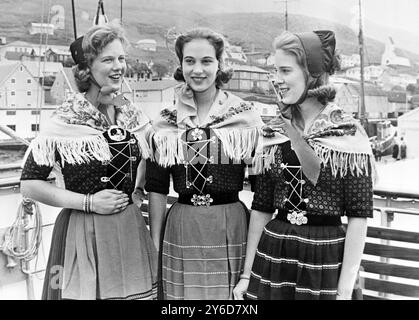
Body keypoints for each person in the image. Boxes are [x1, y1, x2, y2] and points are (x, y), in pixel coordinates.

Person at [233, 30, 375, 300]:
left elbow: (358, 217)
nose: (277, 80)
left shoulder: (348, 133)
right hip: (275, 253)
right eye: (274, 71)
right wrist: (246, 275)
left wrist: (344, 291)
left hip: (325, 259)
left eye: (285, 70)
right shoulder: (273, 132)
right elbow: (262, 209)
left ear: (311, 72)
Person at [20, 23, 158, 300]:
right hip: (83, 231)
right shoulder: (65, 120)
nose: (118, 66)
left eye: (121, 58)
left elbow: (150, 161)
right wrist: (90, 202)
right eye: (108, 59)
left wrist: (137, 192)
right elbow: (29, 185)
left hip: (129, 229)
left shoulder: (131, 115)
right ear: (87, 68)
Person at [145, 27, 265, 300]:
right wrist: (155, 247)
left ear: (219, 64)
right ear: (181, 64)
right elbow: (157, 188)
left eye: (206, 61)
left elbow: (262, 193)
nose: (197, 70)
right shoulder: (165, 122)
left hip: (231, 226)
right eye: (190, 61)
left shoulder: (245, 119)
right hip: (182, 227)